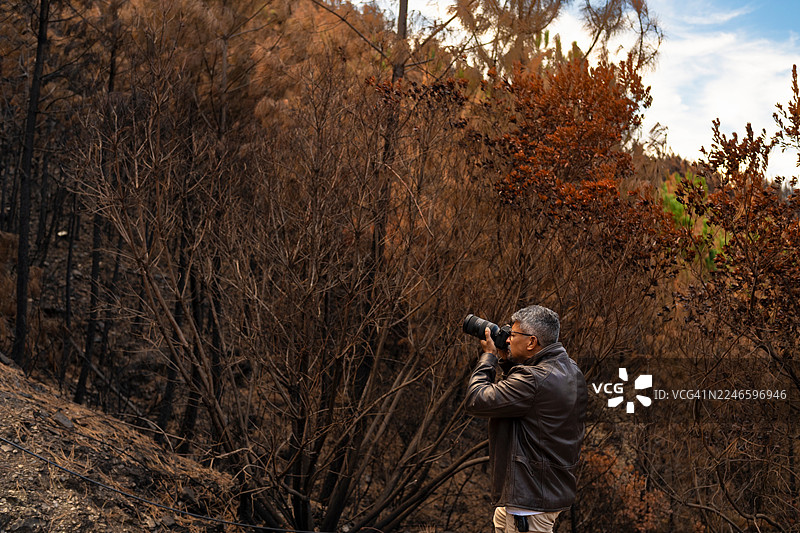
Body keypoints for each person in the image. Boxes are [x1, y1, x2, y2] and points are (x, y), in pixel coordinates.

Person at [465, 305, 587, 533]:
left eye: (513, 334)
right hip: (542, 492)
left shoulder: (533, 379)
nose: (508, 340)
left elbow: (476, 400)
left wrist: (489, 359)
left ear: (532, 342)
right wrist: (507, 362)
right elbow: (532, 402)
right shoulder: (571, 370)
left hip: (528, 503)